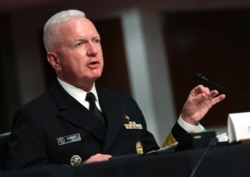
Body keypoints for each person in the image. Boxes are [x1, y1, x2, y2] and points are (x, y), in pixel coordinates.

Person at [5, 9, 225, 169]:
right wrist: (76, 173)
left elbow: (157, 160)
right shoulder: (35, 116)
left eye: (96, 40)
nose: (93, 51)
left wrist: (186, 121)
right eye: (80, 44)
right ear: (55, 61)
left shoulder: (123, 103)